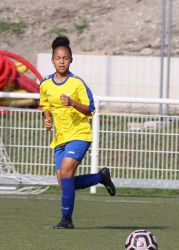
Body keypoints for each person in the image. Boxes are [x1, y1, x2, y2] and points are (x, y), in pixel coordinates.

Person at [39, 36, 116, 229]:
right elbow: (45, 105)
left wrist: (73, 103)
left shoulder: (77, 83)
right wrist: (47, 118)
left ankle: (67, 220)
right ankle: (100, 177)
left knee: (65, 173)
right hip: (60, 138)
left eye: (65, 58)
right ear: (53, 60)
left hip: (79, 134)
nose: (62, 61)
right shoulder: (45, 84)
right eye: (58, 58)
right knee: (63, 182)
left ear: (71, 60)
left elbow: (90, 109)